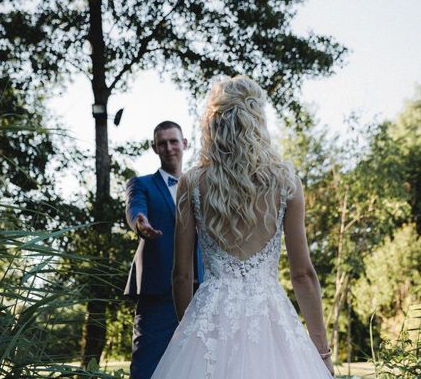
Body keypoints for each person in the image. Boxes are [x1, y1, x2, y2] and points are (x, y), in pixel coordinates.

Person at [151, 77, 335, 378]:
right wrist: (322, 353)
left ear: (213, 123)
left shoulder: (193, 183)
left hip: (209, 317)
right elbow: (302, 275)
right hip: (269, 317)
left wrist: (191, 334)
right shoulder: (285, 181)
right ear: (257, 121)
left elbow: (182, 275)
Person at [124, 121, 204, 379]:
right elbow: (135, 208)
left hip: (203, 290)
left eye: (173, 141)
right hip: (159, 292)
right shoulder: (142, 184)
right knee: (146, 368)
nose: (169, 148)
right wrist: (139, 222)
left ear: (185, 144)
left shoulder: (203, 185)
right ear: (154, 148)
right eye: (162, 143)